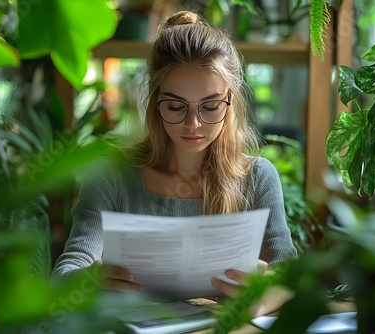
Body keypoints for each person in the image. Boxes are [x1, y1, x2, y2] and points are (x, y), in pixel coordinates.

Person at [51, 10, 297, 299]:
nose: (193, 124)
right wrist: (89, 279)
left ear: (230, 102)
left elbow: (290, 276)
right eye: (176, 106)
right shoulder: (111, 175)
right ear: (155, 103)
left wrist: (264, 294)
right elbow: (64, 275)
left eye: (210, 106)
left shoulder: (257, 177)